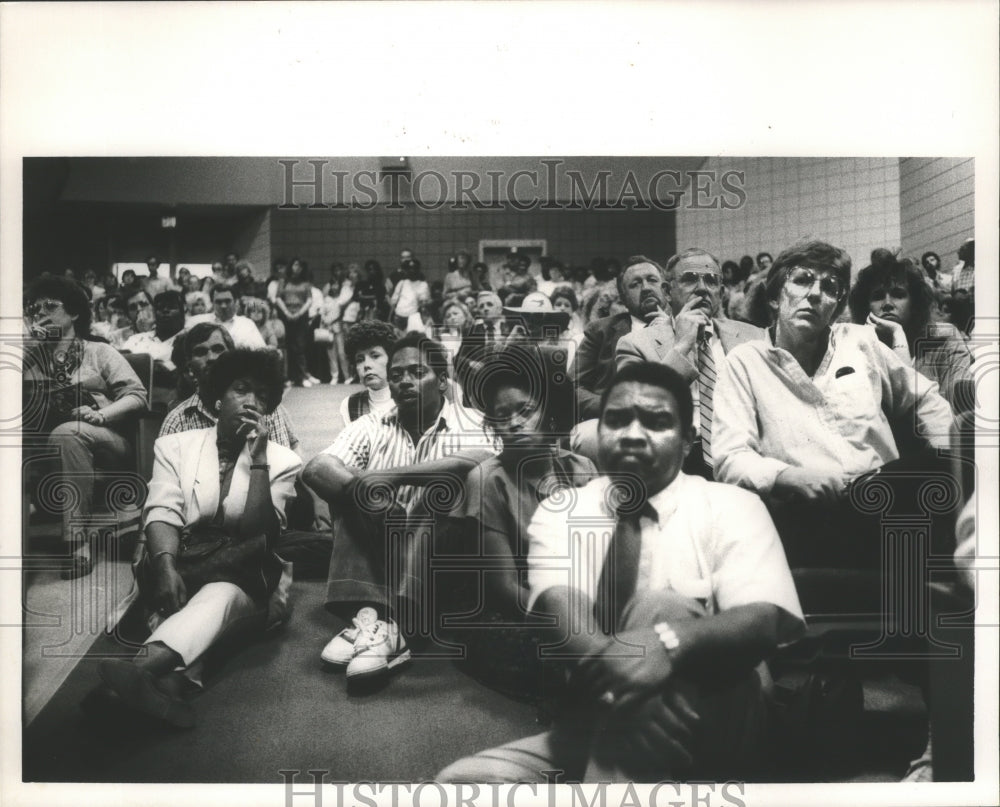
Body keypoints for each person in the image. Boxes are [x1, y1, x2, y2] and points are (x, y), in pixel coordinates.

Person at [438, 362, 804, 783]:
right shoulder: (563, 510)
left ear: (688, 441)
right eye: (616, 419)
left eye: (656, 421)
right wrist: (628, 698)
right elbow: (560, 609)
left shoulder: (732, 506)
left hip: (716, 713)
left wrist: (667, 642)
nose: (632, 432)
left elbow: (763, 619)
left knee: (660, 605)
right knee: (463, 782)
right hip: (604, 716)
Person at [712, 240, 954, 568]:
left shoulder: (860, 341)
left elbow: (925, 397)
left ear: (836, 306)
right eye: (802, 280)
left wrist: (946, 452)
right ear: (773, 297)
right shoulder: (744, 362)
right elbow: (730, 458)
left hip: (884, 495)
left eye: (830, 287)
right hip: (809, 516)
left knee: (958, 465)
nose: (815, 293)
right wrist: (787, 476)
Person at [95, 350, 301, 728]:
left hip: (248, 577)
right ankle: (169, 689)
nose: (252, 401)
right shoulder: (175, 445)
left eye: (261, 395)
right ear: (217, 399)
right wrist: (165, 566)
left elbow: (261, 533)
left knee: (220, 596)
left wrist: (258, 460)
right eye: (241, 390)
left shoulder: (283, 459)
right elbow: (162, 511)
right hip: (183, 565)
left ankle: (139, 670)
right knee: (201, 606)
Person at [302, 333, 499, 682]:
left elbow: (478, 463)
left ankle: (402, 622)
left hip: (446, 562)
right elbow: (317, 468)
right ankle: (373, 618)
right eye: (396, 375)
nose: (404, 381)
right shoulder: (373, 423)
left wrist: (387, 477)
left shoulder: (471, 420)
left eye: (416, 372)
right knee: (352, 492)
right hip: (384, 546)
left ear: (442, 381)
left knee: (437, 492)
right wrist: (365, 491)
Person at [445, 345, 596, 690]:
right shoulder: (487, 479)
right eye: (501, 416)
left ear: (548, 413)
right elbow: (505, 589)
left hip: (576, 596)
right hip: (513, 607)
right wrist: (570, 620)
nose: (513, 422)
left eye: (524, 410)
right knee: (551, 656)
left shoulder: (581, 467)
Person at [23, 276, 148, 579]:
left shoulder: (99, 352)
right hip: (45, 444)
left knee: (69, 433)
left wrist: (101, 415)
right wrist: (28, 347)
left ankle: (77, 543)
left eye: (51, 306)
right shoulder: (32, 359)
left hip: (105, 439)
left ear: (75, 313)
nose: (41, 312)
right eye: (35, 308)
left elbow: (137, 396)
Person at [615, 248, 766, 476]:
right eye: (690, 279)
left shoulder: (752, 335)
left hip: (746, 450)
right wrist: (682, 346)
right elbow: (635, 408)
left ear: (722, 292)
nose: (703, 288)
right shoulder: (635, 344)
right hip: (680, 457)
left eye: (711, 281)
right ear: (667, 291)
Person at [848, 249, 973, 412]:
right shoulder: (855, 347)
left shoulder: (943, 339)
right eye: (878, 296)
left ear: (915, 303)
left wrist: (898, 337)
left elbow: (960, 406)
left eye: (898, 295)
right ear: (864, 306)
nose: (887, 303)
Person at [161, 322, 299, 451]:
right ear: (189, 365)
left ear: (232, 354)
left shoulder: (264, 408)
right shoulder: (178, 421)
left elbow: (282, 469)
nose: (211, 358)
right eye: (201, 352)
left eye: (218, 349)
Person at [573, 255, 667, 422]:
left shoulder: (685, 327)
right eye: (635, 284)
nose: (646, 288)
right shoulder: (600, 331)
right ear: (623, 298)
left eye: (652, 280)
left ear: (666, 289)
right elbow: (571, 387)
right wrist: (611, 407)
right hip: (612, 421)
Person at [338, 321, 398, 424]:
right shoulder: (350, 405)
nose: (366, 365)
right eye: (360, 360)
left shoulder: (407, 399)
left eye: (375, 356)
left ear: (391, 358)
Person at [274, 257, 318, 386]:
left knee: (299, 346)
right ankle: (289, 377)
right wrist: (287, 312)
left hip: (301, 316)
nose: (297, 268)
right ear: (291, 266)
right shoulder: (283, 281)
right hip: (286, 315)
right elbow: (277, 298)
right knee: (287, 346)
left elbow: (309, 300)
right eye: (295, 265)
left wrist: (299, 313)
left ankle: (302, 376)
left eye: (299, 266)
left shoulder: (306, 283)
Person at [200, 285, 266, 350]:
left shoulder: (247, 324)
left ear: (235, 301)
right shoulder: (201, 322)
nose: (223, 306)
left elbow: (261, 350)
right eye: (219, 302)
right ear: (212, 303)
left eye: (227, 301)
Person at [389, 257, 430, 332]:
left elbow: (423, 303)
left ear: (418, 270)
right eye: (410, 268)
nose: (412, 271)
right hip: (399, 316)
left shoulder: (423, 284)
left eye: (414, 268)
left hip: (412, 317)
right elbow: (393, 300)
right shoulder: (402, 283)